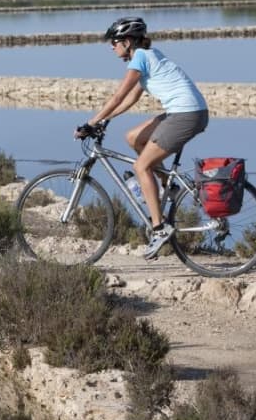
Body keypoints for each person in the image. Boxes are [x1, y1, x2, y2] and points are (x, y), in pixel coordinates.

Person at [74, 17, 209, 260]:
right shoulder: (148, 56)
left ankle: (159, 228)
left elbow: (118, 96)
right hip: (185, 112)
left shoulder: (140, 58)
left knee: (141, 166)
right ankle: (169, 186)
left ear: (127, 42)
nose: (111, 47)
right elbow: (131, 99)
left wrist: (91, 123)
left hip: (186, 115)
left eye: (114, 42)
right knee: (133, 137)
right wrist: (106, 119)